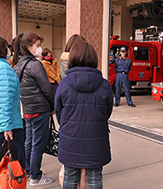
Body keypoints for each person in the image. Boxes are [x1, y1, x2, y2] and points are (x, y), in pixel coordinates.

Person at [55, 41, 113, 189]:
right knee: (95, 179)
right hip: (96, 140)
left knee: (70, 178)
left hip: (70, 140)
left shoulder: (64, 83)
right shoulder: (104, 85)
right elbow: (107, 112)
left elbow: (59, 112)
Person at [13, 32, 54, 186]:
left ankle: (29, 171)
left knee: (29, 142)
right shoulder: (35, 65)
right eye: (37, 45)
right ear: (28, 47)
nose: (40, 48)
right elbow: (47, 89)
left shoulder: (18, 65)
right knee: (38, 144)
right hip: (40, 109)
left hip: (28, 110)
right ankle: (36, 176)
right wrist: (52, 106)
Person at [0, 37, 25, 168]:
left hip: (4, 125)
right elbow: (5, 99)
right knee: (14, 169)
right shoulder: (4, 69)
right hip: (9, 127)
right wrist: (6, 126)